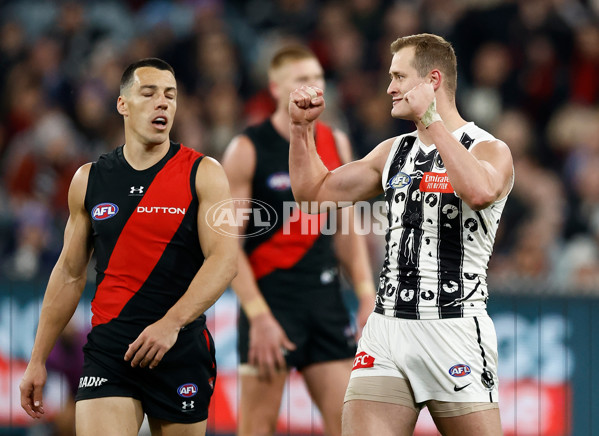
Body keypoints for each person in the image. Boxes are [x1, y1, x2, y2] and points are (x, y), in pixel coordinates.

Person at [288, 34, 513, 435]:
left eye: (398, 76)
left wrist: (432, 122)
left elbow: (478, 192)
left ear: (432, 81)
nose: (389, 87)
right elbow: (313, 194)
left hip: (453, 327)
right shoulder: (391, 151)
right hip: (387, 328)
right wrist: (302, 131)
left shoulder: (489, 149)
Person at [19, 57, 238, 436]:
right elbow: (69, 274)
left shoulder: (203, 172)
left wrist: (170, 324)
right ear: (123, 104)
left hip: (180, 347)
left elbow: (224, 260)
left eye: (170, 95)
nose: (162, 103)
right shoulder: (89, 179)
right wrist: (37, 358)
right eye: (149, 93)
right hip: (111, 350)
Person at [222, 45, 375, 436]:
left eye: (319, 79)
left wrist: (364, 292)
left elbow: (346, 229)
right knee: (257, 427)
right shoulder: (247, 148)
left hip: (324, 300)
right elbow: (228, 246)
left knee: (349, 424)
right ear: (276, 88)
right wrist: (257, 316)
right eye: (301, 80)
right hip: (271, 303)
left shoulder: (335, 142)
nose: (313, 87)